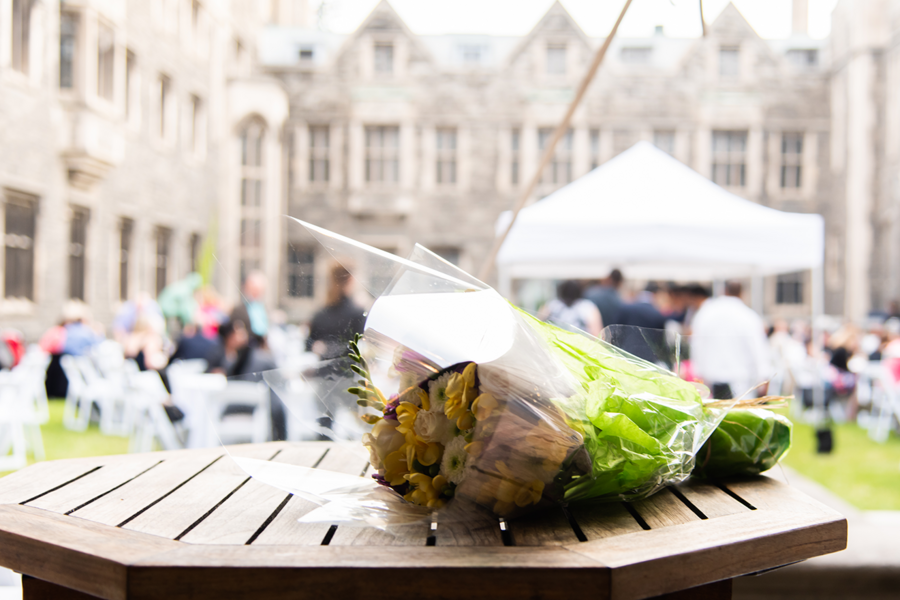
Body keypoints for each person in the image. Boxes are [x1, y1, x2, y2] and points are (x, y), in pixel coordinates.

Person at [305, 263, 367, 439]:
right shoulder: (356, 312)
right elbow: (360, 344)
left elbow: (308, 343)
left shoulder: (321, 313)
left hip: (325, 376)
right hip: (347, 374)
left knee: (324, 427)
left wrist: (323, 348)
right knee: (359, 426)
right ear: (351, 280)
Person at [690, 281, 773, 399]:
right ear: (741, 293)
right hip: (740, 382)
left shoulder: (705, 313)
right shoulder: (748, 316)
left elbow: (696, 345)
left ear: (723, 291)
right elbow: (758, 350)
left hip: (712, 378)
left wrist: (698, 373)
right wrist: (763, 378)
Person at [538, 280, 603, 337]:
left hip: (555, 346)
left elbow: (537, 326)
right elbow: (596, 335)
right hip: (580, 348)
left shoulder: (552, 305)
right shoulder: (588, 307)